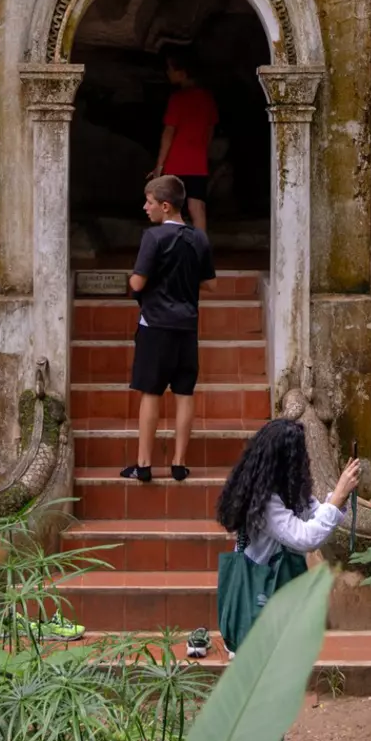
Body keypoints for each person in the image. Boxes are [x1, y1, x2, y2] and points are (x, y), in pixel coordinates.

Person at [206, 418, 361, 658]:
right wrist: (338, 495)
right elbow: (306, 538)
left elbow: (317, 513)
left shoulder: (289, 491)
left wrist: (339, 496)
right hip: (258, 596)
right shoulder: (266, 502)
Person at [121, 175, 214, 485]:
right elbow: (210, 283)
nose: (145, 207)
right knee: (184, 393)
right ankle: (179, 463)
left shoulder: (153, 237)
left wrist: (136, 280)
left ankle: (144, 464)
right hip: (187, 326)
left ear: (165, 206)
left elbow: (138, 282)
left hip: (155, 325)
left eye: (149, 202)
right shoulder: (199, 238)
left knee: (151, 392)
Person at [150, 51, 216, 233]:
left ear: (183, 72)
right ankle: (200, 247)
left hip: (175, 163)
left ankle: (170, 247)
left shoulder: (177, 99)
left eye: (170, 69)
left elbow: (168, 133)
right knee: (197, 209)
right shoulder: (207, 98)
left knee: (168, 210)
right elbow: (210, 130)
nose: (168, 73)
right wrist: (203, 152)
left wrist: (159, 166)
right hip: (198, 164)